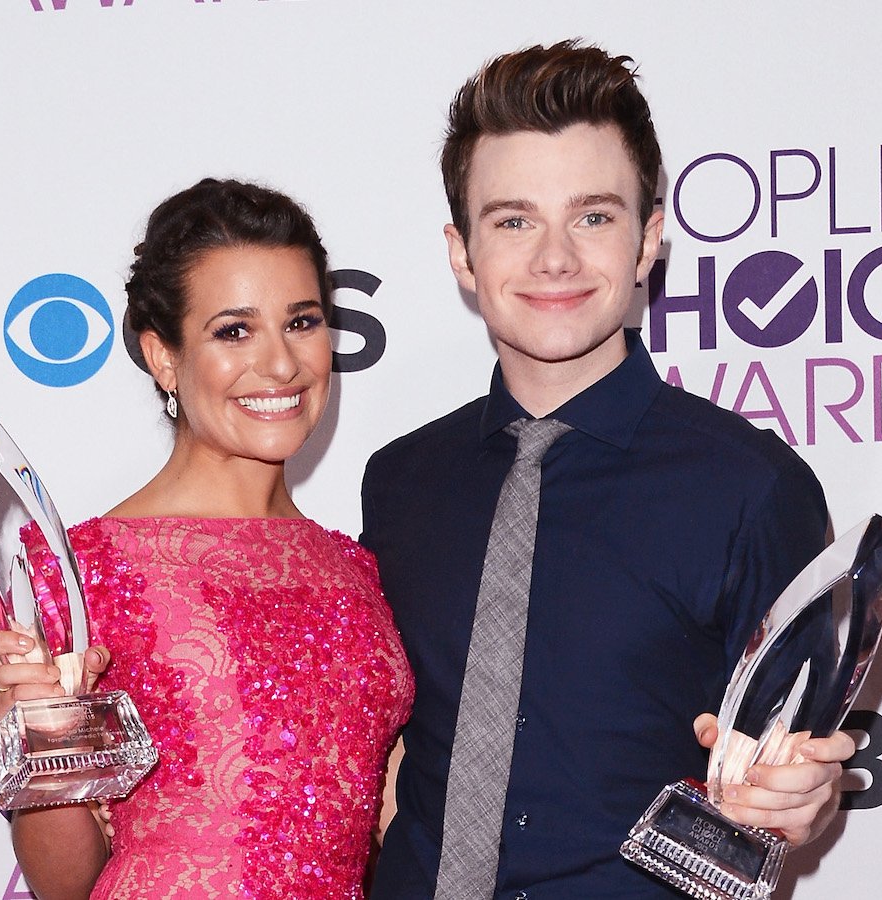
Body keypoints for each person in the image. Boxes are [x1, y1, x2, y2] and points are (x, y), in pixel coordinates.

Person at [361, 41, 855, 897]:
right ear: (461, 253)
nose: (555, 258)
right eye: (513, 220)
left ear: (648, 239)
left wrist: (800, 795)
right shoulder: (400, 482)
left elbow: (786, 765)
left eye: (592, 216)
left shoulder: (754, 490)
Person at [0, 178, 414, 900]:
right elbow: (64, 884)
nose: (281, 364)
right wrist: (38, 724)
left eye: (301, 322)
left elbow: (398, 820)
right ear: (163, 357)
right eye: (234, 330)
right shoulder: (82, 571)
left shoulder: (356, 568)